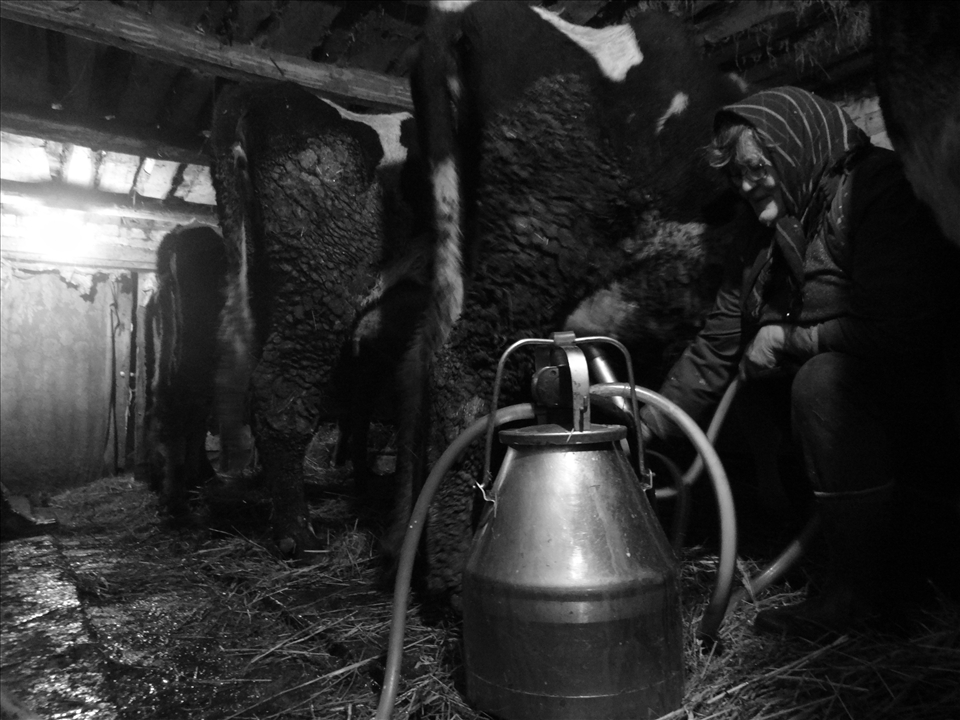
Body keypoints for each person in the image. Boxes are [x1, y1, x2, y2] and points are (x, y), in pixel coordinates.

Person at [640, 86, 960, 639]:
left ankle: (865, 597)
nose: (745, 186)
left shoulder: (878, 190)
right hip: (863, 410)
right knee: (777, 393)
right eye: (737, 176)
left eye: (756, 168)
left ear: (792, 150)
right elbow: (721, 339)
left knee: (820, 382)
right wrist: (651, 421)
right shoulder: (776, 226)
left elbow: (904, 330)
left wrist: (790, 341)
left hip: (927, 397)